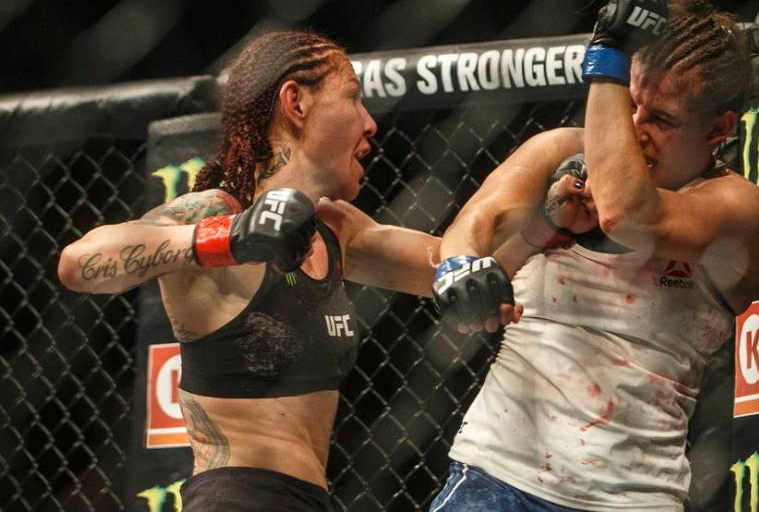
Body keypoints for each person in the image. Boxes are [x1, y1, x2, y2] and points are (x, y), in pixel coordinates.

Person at [57, 30, 519, 511]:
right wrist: (229, 239)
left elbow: (454, 267)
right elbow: (79, 263)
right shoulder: (215, 212)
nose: (370, 124)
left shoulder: (336, 230)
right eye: (354, 99)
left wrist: (546, 212)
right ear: (295, 103)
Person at [428, 0, 759, 511]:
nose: (637, 129)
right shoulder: (557, 149)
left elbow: (629, 216)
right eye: (632, 103)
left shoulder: (746, 210)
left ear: (719, 131)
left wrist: (609, 53)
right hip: (498, 475)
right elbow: (478, 224)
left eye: (662, 120)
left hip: (632, 498)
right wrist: (466, 266)